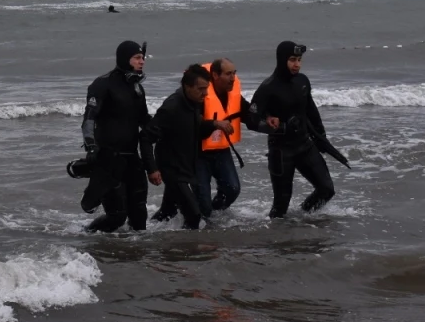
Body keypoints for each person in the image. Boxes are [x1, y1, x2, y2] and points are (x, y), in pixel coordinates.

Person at [247, 41, 350, 218]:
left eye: (299, 60)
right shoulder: (268, 88)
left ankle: (301, 220)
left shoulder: (302, 81)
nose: (297, 64)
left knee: (327, 190)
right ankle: (277, 239)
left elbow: (311, 110)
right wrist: (277, 127)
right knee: (280, 207)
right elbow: (251, 120)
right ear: (281, 60)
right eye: (292, 60)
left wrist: (322, 137)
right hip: (281, 151)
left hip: (305, 146)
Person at [78, 40, 156, 232]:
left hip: (132, 158)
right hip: (109, 160)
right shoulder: (102, 84)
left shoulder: (137, 87)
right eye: (137, 58)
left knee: (139, 217)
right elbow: (89, 118)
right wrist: (91, 145)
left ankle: (134, 256)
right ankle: (87, 235)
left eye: (142, 57)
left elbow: (144, 119)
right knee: (117, 216)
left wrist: (164, 130)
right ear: (124, 59)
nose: (142, 61)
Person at [148, 64, 234, 230]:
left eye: (206, 88)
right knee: (194, 216)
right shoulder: (171, 107)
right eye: (201, 89)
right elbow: (146, 137)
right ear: (187, 87)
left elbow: (196, 128)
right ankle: (188, 252)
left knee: (168, 211)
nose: (206, 93)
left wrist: (214, 124)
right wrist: (152, 169)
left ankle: (143, 235)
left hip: (185, 165)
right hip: (171, 168)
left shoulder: (193, 101)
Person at [198, 58, 247, 217]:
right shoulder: (200, 93)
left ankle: (212, 218)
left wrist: (267, 118)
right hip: (198, 152)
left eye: (234, 73)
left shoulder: (233, 92)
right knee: (202, 203)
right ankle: (196, 219)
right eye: (228, 74)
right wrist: (214, 124)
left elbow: (249, 114)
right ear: (215, 75)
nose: (233, 78)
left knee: (232, 189)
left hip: (220, 149)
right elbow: (192, 126)